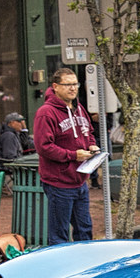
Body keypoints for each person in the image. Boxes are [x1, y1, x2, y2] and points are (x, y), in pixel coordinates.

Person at [34, 68, 99, 245]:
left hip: (80, 181)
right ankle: (60, 269)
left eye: (75, 84)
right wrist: (73, 155)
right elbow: (43, 147)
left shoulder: (79, 108)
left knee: (84, 230)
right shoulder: (46, 113)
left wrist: (91, 144)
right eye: (67, 84)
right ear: (55, 86)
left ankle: (84, 267)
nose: (73, 88)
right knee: (59, 234)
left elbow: (89, 131)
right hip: (59, 182)